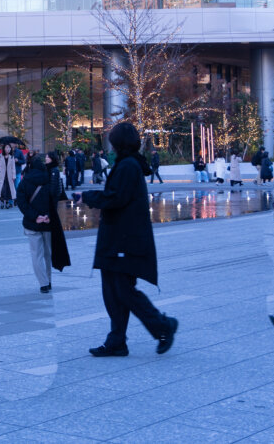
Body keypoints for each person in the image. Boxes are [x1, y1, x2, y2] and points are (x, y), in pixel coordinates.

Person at [79, 122, 178, 357]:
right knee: (113, 291)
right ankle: (117, 341)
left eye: (112, 141)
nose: (110, 145)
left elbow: (116, 198)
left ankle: (163, 325)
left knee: (123, 290)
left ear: (119, 143)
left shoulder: (128, 166)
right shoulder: (127, 165)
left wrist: (89, 196)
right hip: (118, 237)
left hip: (124, 239)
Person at [16, 152, 70, 293]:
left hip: (32, 223)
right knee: (48, 254)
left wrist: (35, 216)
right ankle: (49, 281)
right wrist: (47, 216)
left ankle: (43, 283)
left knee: (36, 254)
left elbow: (22, 203)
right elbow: (56, 199)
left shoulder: (24, 182)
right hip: (48, 222)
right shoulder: (50, 180)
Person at [0, 144, 17, 209]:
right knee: (1, 190)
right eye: (7, 147)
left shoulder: (11, 157)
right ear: (3, 148)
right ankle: (1, 202)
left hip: (9, 176)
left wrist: (14, 176)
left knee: (8, 190)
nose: (8, 149)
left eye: (9, 148)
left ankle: (6, 203)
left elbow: (13, 167)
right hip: (1, 176)